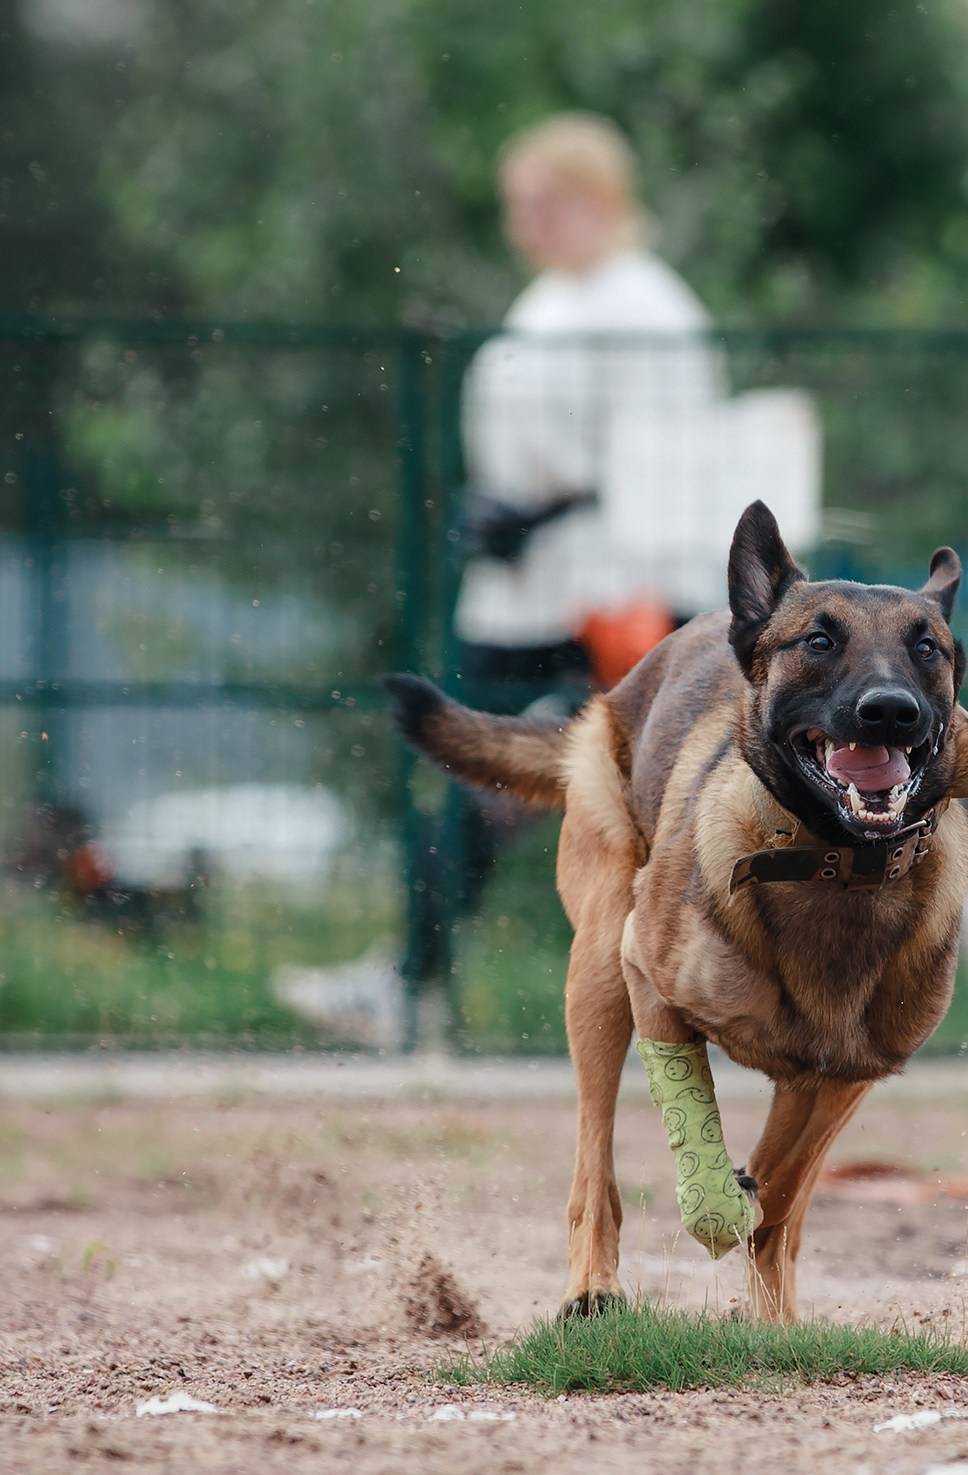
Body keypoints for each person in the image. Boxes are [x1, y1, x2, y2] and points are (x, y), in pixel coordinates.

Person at [278, 113, 728, 1049]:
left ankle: (710, 991)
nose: (526, 223)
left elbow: (668, 464)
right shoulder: (547, 302)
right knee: (467, 767)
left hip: (612, 589)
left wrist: (558, 521)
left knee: (621, 801)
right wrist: (503, 513)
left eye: (545, 203)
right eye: (518, 206)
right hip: (523, 591)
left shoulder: (650, 308)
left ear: (601, 201)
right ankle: (411, 981)